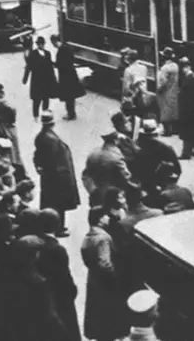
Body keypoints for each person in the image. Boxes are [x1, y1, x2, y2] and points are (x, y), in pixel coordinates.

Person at [81, 206, 129, 341]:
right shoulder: (103, 238)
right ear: (100, 219)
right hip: (105, 283)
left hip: (94, 279)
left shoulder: (89, 236)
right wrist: (114, 278)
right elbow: (105, 263)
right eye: (105, 216)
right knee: (109, 316)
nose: (108, 218)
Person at [33, 209, 82, 341]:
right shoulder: (57, 249)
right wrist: (72, 290)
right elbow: (64, 276)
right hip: (60, 296)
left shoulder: (35, 242)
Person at [33, 111, 80, 238]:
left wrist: (39, 168)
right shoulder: (51, 139)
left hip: (48, 177)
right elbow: (56, 160)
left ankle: (50, 224)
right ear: (52, 123)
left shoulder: (40, 136)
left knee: (50, 201)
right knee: (60, 204)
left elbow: (37, 156)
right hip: (58, 178)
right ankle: (59, 228)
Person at [134, 119, 181, 196]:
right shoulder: (166, 148)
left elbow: (177, 170)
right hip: (154, 184)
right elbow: (177, 170)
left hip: (159, 184)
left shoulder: (139, 150)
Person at [83, 130, 134, 198]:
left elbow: (86, 174)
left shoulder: (93, 152)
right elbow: (126, 175)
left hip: (95, 188)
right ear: (115, 141)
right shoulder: (117, 155)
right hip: (112, 192)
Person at [52, 34, 86, 120]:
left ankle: (70, 114)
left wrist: (54, 64)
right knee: (71, 96)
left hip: (66, 77)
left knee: (68, 96)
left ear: (55, 41)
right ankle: (72, 113)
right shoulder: (67, 48)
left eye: (53, 43)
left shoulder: (62, 50)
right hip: (71, 75)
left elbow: (61, 64)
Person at [23, 36, 58, 119]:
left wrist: (54, 80)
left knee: (46, 97)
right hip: (37, 80)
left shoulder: (47, 53)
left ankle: (45, 113)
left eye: (42, 44)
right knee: (36, 99)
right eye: (39, 44)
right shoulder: (33, 54)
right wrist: (25, 78)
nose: (41, 45)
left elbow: (50, 67)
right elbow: (29, 67)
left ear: (44, 44)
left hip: (46, 80)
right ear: (37, 45)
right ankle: (35, 115)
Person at [156, 47, 180, 136]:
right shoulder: (176, 66)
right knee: (174, 111)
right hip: (174, 91)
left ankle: (167, 131)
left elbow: (163, 82)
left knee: (165, 111)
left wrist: (159, 89)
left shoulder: (164, 68)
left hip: (165, 93)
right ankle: (174, 129)